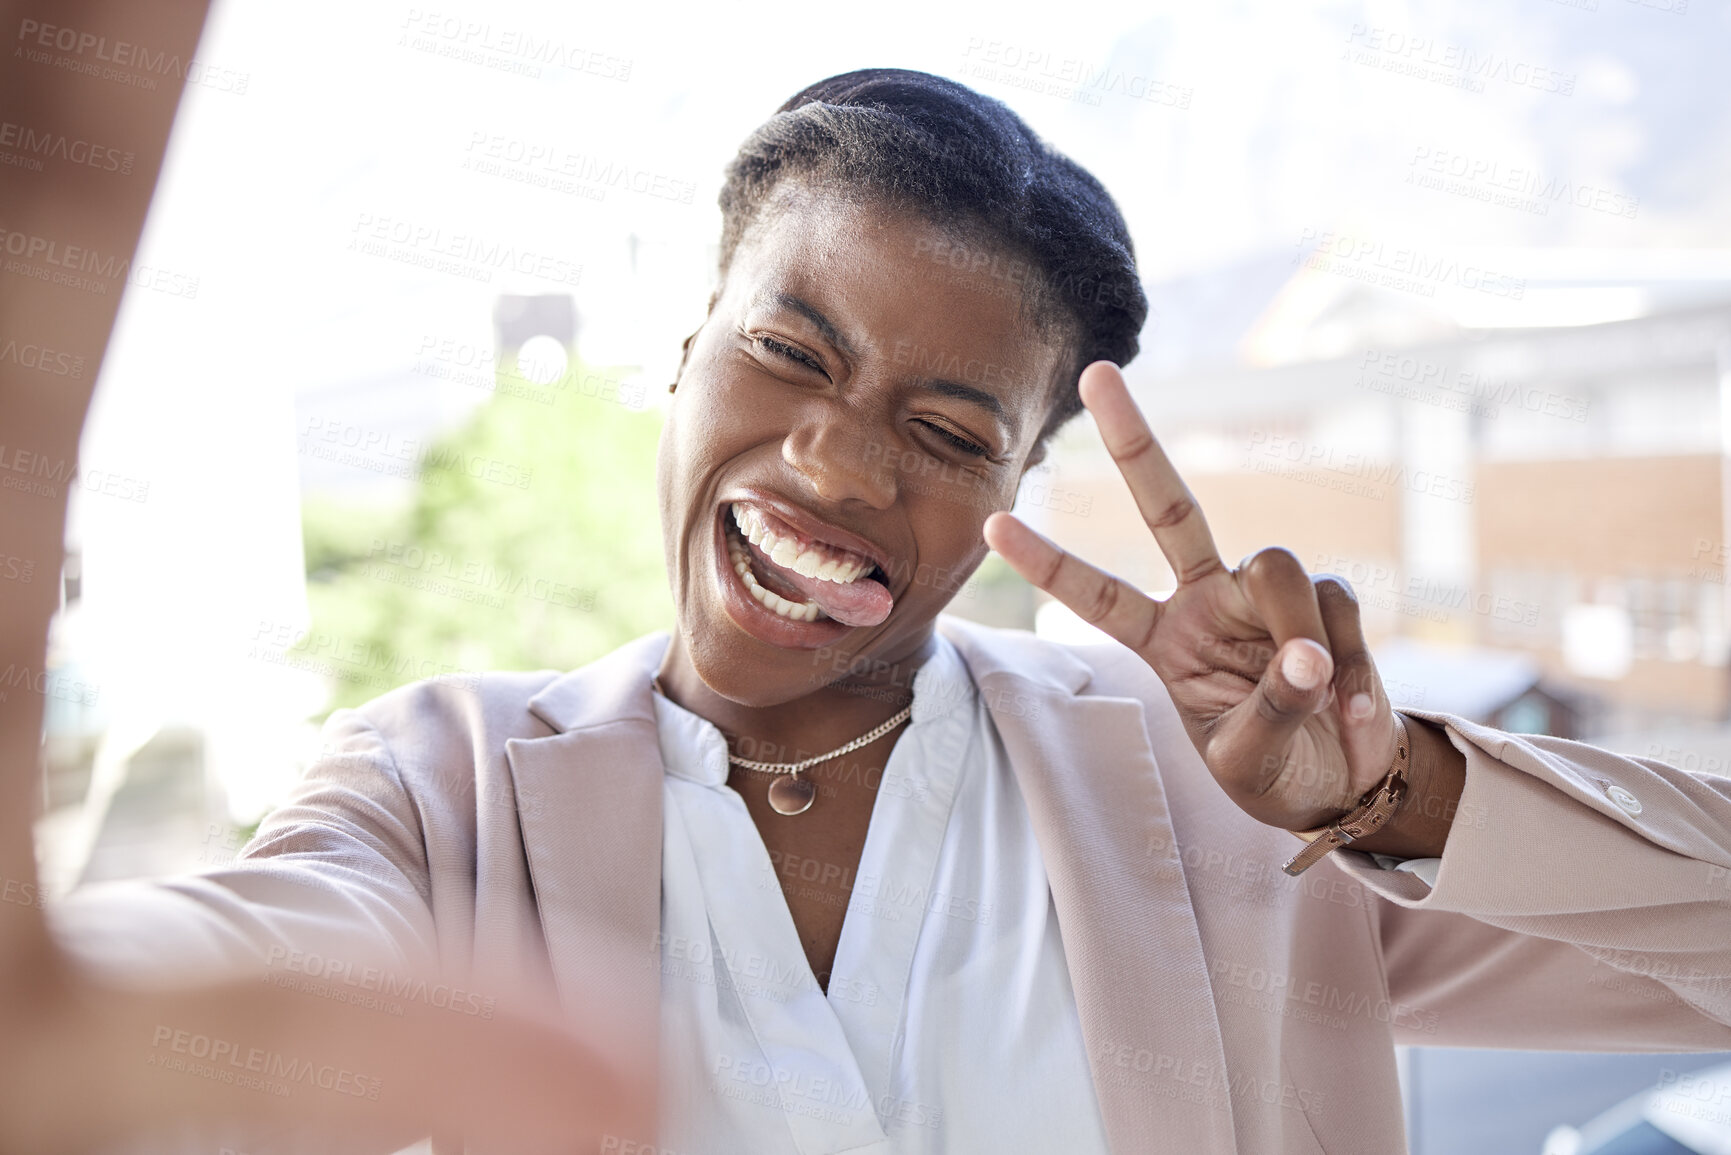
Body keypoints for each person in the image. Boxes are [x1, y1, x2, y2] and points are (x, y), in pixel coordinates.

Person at [32, 68, 1731, 1154]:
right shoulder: (444, 788)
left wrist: (1391, 797)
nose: (839, 471)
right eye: (788, 352)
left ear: (1022, 485)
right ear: (686, 346)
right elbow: (242, 955)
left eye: (944, 432)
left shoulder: (1225, 803)